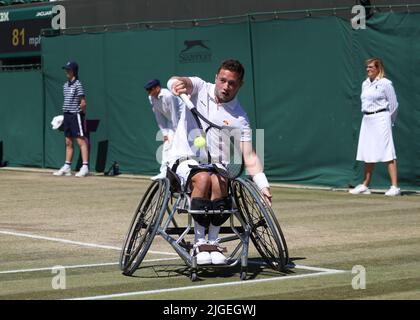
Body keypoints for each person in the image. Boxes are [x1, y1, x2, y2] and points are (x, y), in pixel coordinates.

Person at [167, 59, 272, 265]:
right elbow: (180, 81)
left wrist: (263, 185)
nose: (226, 86)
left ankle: (213, 243)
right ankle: (199, 242)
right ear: (216, 78)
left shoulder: (240, 118)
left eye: (232, 83)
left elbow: (249, 156)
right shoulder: (199, 87)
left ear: (239, 85)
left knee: (220, 180)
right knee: (204, 178)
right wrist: (175, 85)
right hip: (183, 161)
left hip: (216, 167)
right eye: (222, 80)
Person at [350, 58, 400, 196]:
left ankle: (395, 187)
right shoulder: (364, 84)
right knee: (367, 151)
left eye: (371, 67)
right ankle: (365, 185)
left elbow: (394, 105)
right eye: (367, 67)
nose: (368, 69)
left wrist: (389, 121)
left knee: (387, 151)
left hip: (382, 118)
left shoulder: (385, 83)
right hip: (367, 119)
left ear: (379, 68)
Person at [53, 61, 89, 177]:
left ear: (74, 71)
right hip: (67, 115)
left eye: (68, 70)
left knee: (80, 141)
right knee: (68, 141)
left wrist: (79, 113)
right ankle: (67, 167)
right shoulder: (65, 85)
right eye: (66, 70)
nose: (66, 72)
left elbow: (83, 102)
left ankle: (85, 167)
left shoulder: (78, 84)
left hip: (76, 115)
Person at [144, 79, 184, 180]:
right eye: (148, 90)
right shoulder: (151, 98)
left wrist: (177, 133)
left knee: (178, 146)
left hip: (184, 120)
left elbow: (175, 114)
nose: (149, 93)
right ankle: (164, 172)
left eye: (150, 90)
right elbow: (159, 116)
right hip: (172, 122)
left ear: (157, 88)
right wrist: (165, 133)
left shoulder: (168, 95)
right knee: (167, 145)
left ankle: (178, 172)